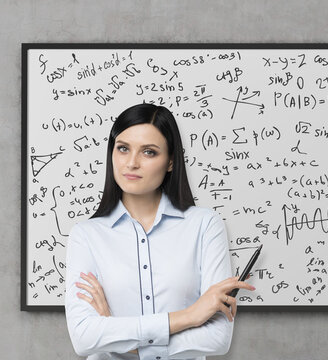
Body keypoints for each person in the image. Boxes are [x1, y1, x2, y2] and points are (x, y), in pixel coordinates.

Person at [65, 103, 254, 360]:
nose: (131, 163)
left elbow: (217, 339)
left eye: (149, 152)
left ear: (171, 162)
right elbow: (83, 338)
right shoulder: (86, 235)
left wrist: (116, 334)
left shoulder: (205, 225)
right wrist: (189, 316)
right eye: (123, 148)